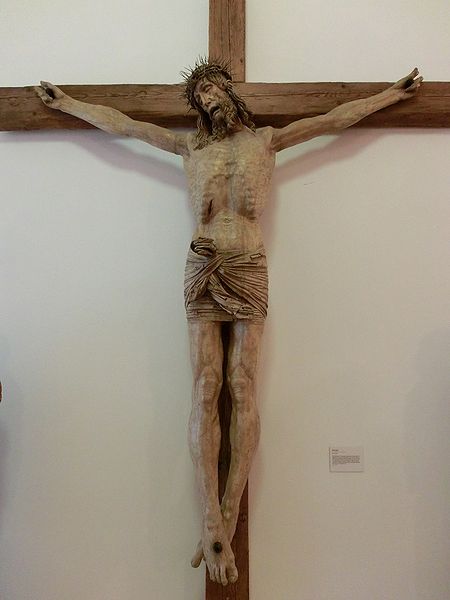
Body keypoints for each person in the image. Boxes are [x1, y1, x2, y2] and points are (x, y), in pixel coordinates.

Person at [36, 61, 422, 586]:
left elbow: (332, 120)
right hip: (202, 265)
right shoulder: (190, 148)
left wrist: (389, 96)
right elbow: (126, 126)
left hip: (249, 266)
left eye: (212, 88)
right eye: (200, 95)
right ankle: (210, 519)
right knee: (205, 386)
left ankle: (228, 511)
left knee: (242, 385)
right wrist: (68, 103)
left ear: (229, 91)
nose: (208, 98)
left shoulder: (266, 141)